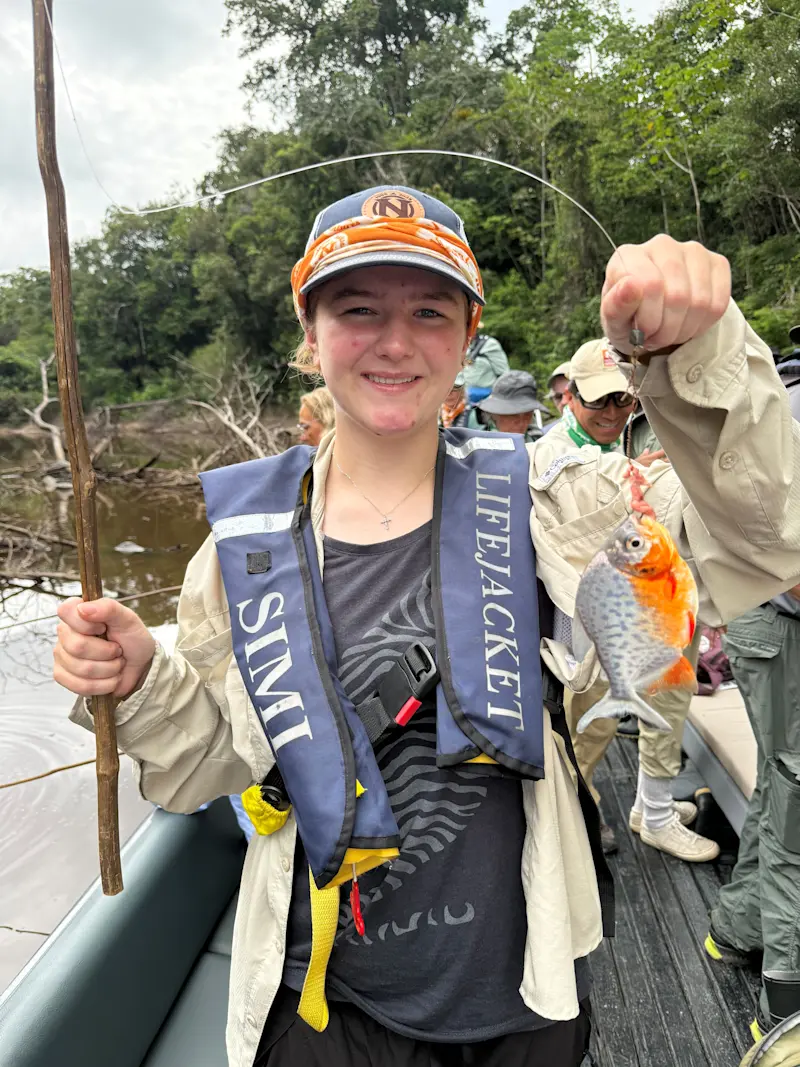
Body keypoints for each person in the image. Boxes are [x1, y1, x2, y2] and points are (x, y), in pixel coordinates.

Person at [53, 183, 800, 1067]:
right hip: (324, 1000)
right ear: (310, 334)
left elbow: (771, 536)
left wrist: (695, 350)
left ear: (468, 334)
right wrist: (144, 681)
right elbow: (215, 763)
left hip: (525, 991)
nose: (396, 341)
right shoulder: (238, 552)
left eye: (431, 311)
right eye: (358, 308)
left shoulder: (558, 501)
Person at [534, 339, 718, 862]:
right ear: (569, 396)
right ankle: (572, 813)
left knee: (655, 702)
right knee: (583, 720)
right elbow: (582, 503)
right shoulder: (552, 454)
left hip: (645, 606)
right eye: (599, 401)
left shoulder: (626, 443)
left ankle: (648, 809)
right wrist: (640, 477)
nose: (613, 413)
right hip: (586, 619)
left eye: (623, 401)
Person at [706, 330, 800, 1041]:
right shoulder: (785, 411)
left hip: (759, 621)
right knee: (795, 792)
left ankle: (735, 929)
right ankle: (786, 1003)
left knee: (779, 778)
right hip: (774, 621)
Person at [477, 369, 549, 441]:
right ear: (494, 415)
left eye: (527, 414)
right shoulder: (479, 443)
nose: (521, 422)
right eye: (513, 415)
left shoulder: (537, 439)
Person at [461, 327, 510, 406]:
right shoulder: (462, 345)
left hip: (487, 397)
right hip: (465, 398)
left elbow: (504, 373)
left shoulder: (490, 344)